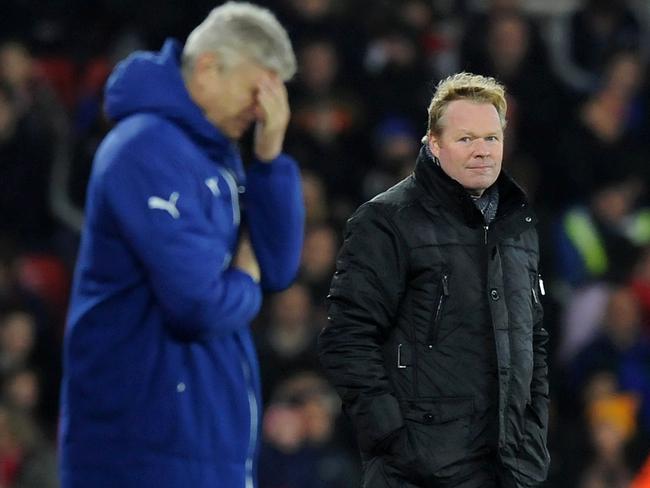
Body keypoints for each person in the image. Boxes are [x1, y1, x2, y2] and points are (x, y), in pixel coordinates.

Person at [58, 3, 304, 488]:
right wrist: (245, 275)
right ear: (210, 67)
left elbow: (277, 267)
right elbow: (199, 306)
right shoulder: (145, 148)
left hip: (202, 436)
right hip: (141, 445)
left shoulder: (215, 154)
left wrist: (270, 156)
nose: (263, 108)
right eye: (257, 90)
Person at [318, 72, 550, 487]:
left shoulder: (519, 227)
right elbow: (347, 337)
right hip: (416, 473)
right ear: (434, 144)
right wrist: (394, 439)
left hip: (508, 471)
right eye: (466, 139)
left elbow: (533, 339)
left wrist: (533, 430)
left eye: (491, 138)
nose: (482, 151)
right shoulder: (386, 221)